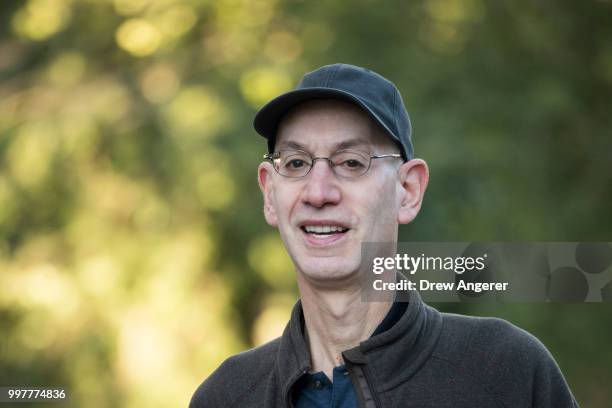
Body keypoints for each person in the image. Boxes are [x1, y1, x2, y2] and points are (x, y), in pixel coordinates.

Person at [190, 63, 578, 407]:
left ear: (408, 191)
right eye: (296, 163)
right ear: (270, 194)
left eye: (351, 163)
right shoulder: (226, 397)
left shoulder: (505, 372)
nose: (318, 192)